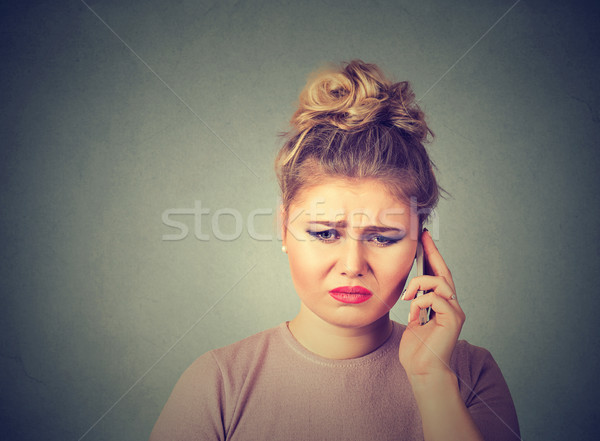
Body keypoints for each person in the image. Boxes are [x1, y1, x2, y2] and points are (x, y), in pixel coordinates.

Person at [149, 60, 520, 441]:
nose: (352, 265)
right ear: (283, 229)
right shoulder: (219, 384)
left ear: (420, 245)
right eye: (326, 233)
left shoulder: (471, 375)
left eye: (383, 237)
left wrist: (431, 380)